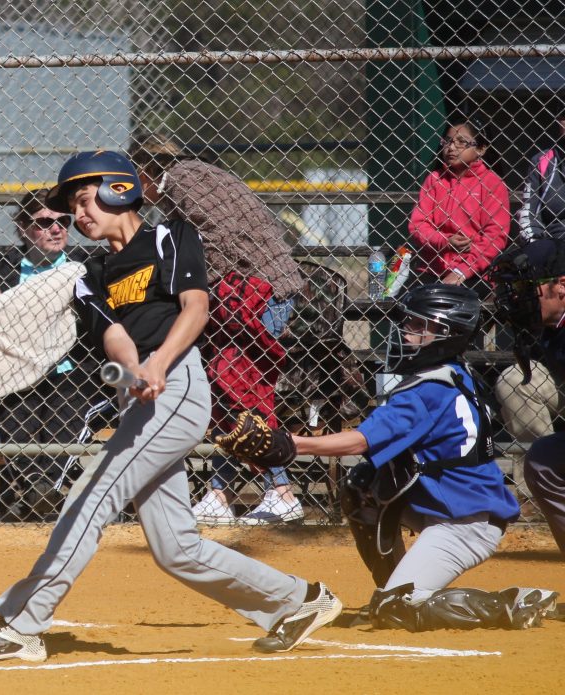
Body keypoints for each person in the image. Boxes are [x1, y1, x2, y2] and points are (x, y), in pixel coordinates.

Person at [0, 150, 342, 662]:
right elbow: (114, 335)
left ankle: (23, 624)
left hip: (176, 385)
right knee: (176, 547)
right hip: (141, 394)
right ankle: (296, 601)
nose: (80, 214)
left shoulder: (170, 238)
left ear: (121, 189)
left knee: (91, 496)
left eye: (87, 200)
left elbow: (195, 308)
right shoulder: (91, 271)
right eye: (74, 206)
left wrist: (160, 364)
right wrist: (135, 369)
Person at [223, 283, 558, 630]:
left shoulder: (427, 390)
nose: (404, 332)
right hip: (447, 506)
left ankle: (511, 602)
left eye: (417, 326)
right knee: (363, 487)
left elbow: (358, 442)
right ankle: (394, 588)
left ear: (446, 333)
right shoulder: (453, 372)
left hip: (466, 524)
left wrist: (291, 444)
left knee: (397, 611)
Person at [128, 133, 304, 525]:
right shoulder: (186, 186)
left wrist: (183, 277)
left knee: (246, 388)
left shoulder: (185, 179)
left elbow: (221, 238)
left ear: (146, 171)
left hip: (259, 290)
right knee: (228, 388)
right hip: (244, 293)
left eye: (131, 179)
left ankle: (281, 491)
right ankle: (220, 495)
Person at [0, 189, 113, 521]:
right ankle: (36, 488)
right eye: (44, 222)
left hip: (70, 367)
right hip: (16, 367)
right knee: (16, 416)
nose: (56, 230)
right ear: (24, 227)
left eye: (62, 222)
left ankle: (43, 489)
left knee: (65, 414)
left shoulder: (81, 267)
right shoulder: (4, 263)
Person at [488, 239, 565, 557]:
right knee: (544, 459)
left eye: (525, 287)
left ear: (561, 285)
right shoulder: (552, 328)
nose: (517, 297)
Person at [407, 120, 510, 292]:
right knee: (411, 303)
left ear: (481, 149)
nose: (451, 147)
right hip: (432, 269)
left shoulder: (492, 183)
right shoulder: (434, 179)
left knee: (453, 305)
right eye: (447, 141)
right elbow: (418, 225)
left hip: (475, 272)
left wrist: (462, 270)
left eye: (462, 142)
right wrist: (444, 241)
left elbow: (495, 236)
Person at [519, 106, 565, 241]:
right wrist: (535, 243)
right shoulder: (542, 161)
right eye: (564, 117)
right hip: (558, 244)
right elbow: (529, 215)